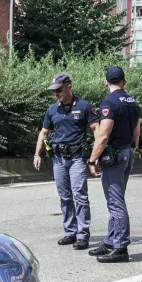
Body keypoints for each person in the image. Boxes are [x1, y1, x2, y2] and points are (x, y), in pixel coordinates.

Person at [34, 73, 98, 250]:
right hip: (59, 159)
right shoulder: (52, 109)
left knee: (80, 195)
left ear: (69, 86)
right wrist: (37, 154)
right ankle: (71, 232)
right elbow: (44, 132)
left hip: (77, 158)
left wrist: (96, 156)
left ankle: (83, 235)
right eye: (54, 91)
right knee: (65, 196)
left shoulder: (84, 106)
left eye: (59, 90)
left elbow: (96, 130)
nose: (56, 94)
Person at [88, 66, 141, 263]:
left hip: (114, 156)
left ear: (106, 82)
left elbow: (103, 135)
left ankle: (120, 247)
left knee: (116, 202)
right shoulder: (132, 101)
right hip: (127, 153)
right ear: (124, 81)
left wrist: (92, 160)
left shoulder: (109, 103)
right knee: (115, 199)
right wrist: (131, 149)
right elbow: (137, 130)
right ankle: (110, 241)